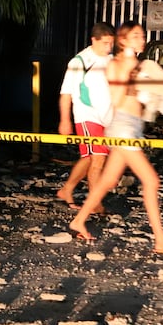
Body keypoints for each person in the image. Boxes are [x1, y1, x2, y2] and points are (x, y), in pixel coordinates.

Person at [68, 22, 163, 256]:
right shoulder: (116, 64)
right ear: (123, 40)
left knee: (108, 181)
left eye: (142, 36)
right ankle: (161, 240)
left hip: (132, 126)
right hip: (122, 128)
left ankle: (79, 220)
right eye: (136, 36)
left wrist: (150, 82)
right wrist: (137, 79)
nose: (142, 40)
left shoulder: (142, 64)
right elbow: (118, 99)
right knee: (151, 181)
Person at [56, 22, 115, 209]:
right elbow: (66, 93)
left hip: (107, 117)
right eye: (105, 43)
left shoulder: (111, 60)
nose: (109, 47)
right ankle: (95, 204)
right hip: (87, 115)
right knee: (97, 159)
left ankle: (67, 189)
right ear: (94, 40)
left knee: (90, 158)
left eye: (111, 43)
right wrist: (65, 120)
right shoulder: (79, 62)